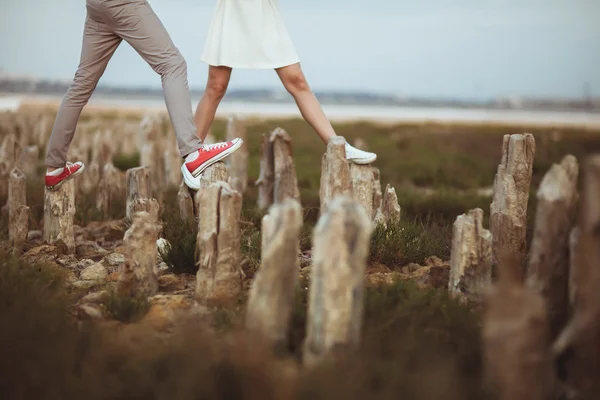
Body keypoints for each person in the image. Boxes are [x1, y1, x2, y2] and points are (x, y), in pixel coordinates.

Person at [44, 0, 243, 192]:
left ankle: (54, 167)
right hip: (125, 4)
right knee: (172, 65)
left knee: (81, 84)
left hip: (96, 6)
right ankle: (192, 154)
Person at [195, 0, 377, 164]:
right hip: (232, 10)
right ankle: (192, 156)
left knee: (297, 81)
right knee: (216, 86)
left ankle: (338, 147)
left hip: (264, 12)